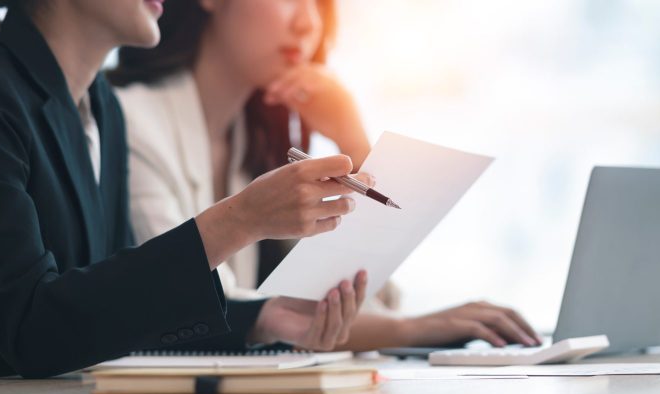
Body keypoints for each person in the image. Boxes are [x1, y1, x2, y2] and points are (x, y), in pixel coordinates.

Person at [0, 0, 367, 386]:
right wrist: (238, 220)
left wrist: (259, 320)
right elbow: (33, 331)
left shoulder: (102, 109)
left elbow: (107, 317)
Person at [109, 0, 542, 351]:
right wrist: (410, 331)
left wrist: (352, 139)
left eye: (319, 4)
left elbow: (355, 294)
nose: (307, 22)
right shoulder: (131, 120)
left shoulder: (252, 145)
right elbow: (196, 304)